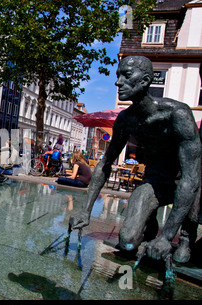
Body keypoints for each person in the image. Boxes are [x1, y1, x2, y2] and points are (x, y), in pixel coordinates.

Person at [68, 56, 201, 264]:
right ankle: (148, 226)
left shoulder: (178, 114)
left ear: (145, 80)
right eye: (118, 75)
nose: (118, 82)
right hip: (156, 182)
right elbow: (105, 163)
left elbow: (191, 178)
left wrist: (167, 237)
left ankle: (186, 237)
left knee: (183, 247)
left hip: (186, 181)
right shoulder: (126, 120)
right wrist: (85, 210)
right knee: (128, 242)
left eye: (126, 75)